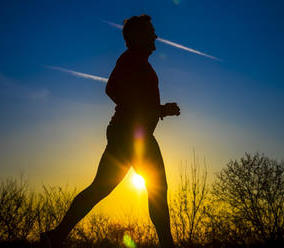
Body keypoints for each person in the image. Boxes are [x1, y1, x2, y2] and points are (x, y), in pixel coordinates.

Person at [40, 14, 180, 248]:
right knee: (155, 189)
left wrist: (159, 110)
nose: (155, 35)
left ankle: (55, 236)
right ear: (136, 37)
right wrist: (158, 109)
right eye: (150, 32)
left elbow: (134, 100)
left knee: (102, 188)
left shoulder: (139, 62)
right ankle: (168, 244)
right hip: (132, 136)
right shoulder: (130, 59)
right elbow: (112, 89)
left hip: (132, 134)